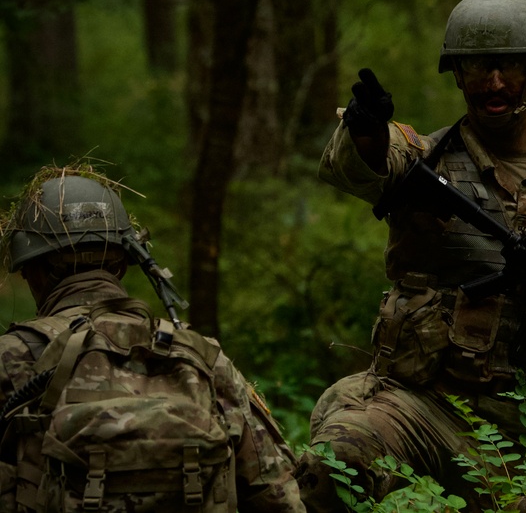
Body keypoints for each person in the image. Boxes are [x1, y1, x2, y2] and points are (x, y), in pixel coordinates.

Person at [296, 0, 526, 511]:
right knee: (332, 467)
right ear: (457, 73)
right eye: (478, 66)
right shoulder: (422, 158)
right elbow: (366, 165)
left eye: (509, 67)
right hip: (417, 405)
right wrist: (365, 131)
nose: (493, 83)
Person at [0, 168, 305, 512]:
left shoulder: (11, 359)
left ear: (33, 272)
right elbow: (279, 497)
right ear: (125, 263)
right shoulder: (202, 357)